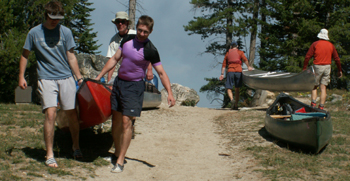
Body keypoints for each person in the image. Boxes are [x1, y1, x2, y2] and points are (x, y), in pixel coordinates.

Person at [95, 15, 175, 173]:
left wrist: (170, 93)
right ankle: (117, 153)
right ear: (136, 28)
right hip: (119, 83)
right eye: (140, 30)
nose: (141, 34)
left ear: (150, 32)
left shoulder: (151, 50)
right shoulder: (127, 40)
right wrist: (99, 76)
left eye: (145, 32)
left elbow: (161, 73)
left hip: (134, 87)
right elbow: (114, 59)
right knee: (116, 123)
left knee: (126, 123)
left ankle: (120, 161)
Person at [18, 0, 84, 168]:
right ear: (46, 15)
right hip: (46, 78)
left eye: (59, 18)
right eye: (53, 17)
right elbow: (25, 54)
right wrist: (21, 76)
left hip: (66, 77)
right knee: (50, 114)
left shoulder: (66, 32)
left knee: (72, 114)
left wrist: (78, 77)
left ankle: (76, 146)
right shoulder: (34, 33)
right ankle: (49, 154)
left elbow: (71, 56)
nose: (55, 21)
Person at [106, 11, 153, 83]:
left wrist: (149, 70)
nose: (120, 24)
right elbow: (112, 60)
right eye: (118, 22)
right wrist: (108, 81)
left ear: (127, 23)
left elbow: (147, 53)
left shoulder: (136, 35)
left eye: (122, 21)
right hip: (124, 74)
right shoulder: (113, 41)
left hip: (138, 73)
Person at [303, 28, 342, 110]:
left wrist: (304, 68)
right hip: (327, 66)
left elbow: (307, 56)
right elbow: (337, 59)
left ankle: (313, 104)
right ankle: (321, 106)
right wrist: (339, 70)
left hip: (317, 66)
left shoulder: (315, 44)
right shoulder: (331, 45)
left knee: (314, 85)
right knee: (323, 87)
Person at [219, 41, 253, 110]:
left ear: (231, 46)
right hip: (238, 72)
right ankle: (236, 105)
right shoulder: (240, 52)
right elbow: (245, 60)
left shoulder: (228, 53)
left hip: (230, 71)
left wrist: (222, 74)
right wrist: (249, 67)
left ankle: (232, 100)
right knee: (237, 89)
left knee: (229, 88)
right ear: (237, 46)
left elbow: (224, 65)